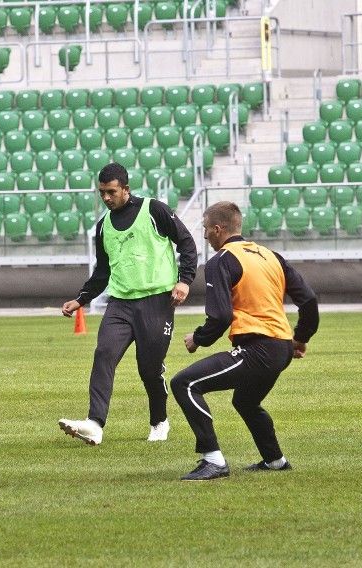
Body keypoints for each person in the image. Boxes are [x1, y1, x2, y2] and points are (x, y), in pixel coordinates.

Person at [171, 201, 319, 481]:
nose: (204, 236)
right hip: (281, 347)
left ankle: (213, 460)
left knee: (185, 383)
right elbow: (308, 299)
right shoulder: (269, 255)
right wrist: (299, 339)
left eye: (205, 230)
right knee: (246, 401)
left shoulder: (221, 260)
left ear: (217, 230)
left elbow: (221, 316)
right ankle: (275, 460)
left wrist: (197, 339)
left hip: (258, 349)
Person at [58, 163, 198, 446]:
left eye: (111, 192)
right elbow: (102, 272)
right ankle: (95, 424)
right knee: (104, 353)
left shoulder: (154, 210)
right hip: (120, 304)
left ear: (126, 189)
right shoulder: (103, 227)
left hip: (157, 302)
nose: (106, 198)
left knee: (149, 369)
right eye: (102, 193)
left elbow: (186, 243)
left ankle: (159, 421)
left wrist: (184, 280)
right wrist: (80, 300)